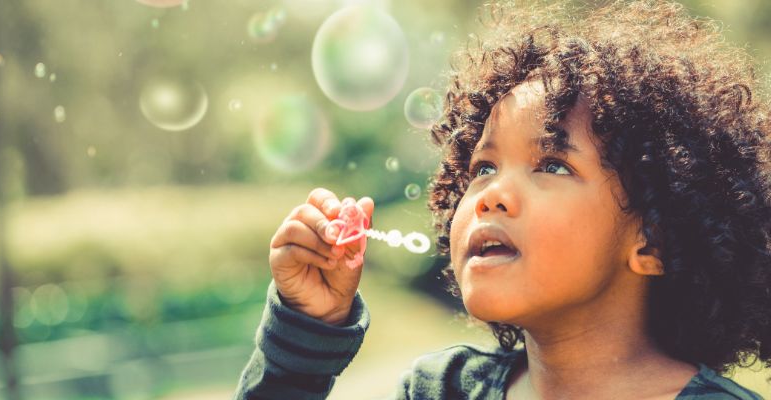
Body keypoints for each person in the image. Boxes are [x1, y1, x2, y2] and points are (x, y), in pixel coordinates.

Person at [234, 0, 771, 398]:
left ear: (654, 239)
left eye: (552, 165)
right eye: (483, 167)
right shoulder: (439, 390)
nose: (492, 194)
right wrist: (306, 334)